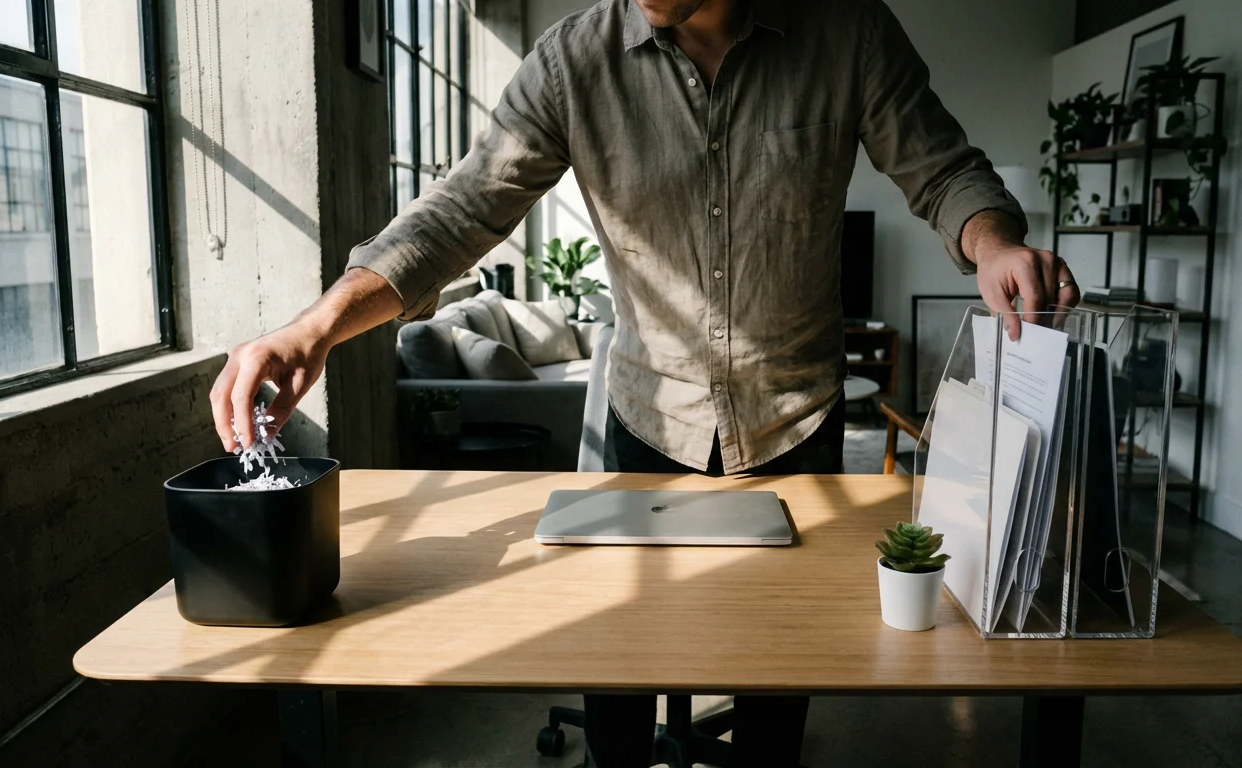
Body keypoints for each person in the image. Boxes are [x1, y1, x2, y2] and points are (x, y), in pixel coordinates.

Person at [209, 0, 1080, 764]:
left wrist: (993, 243)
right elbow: (461, 209)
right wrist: (317, 325)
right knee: (613, 676)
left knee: (779, 681)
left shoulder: (846, 28)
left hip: (795, 429)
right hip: (646, 426)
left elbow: (943, 168)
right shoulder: (570, 63)